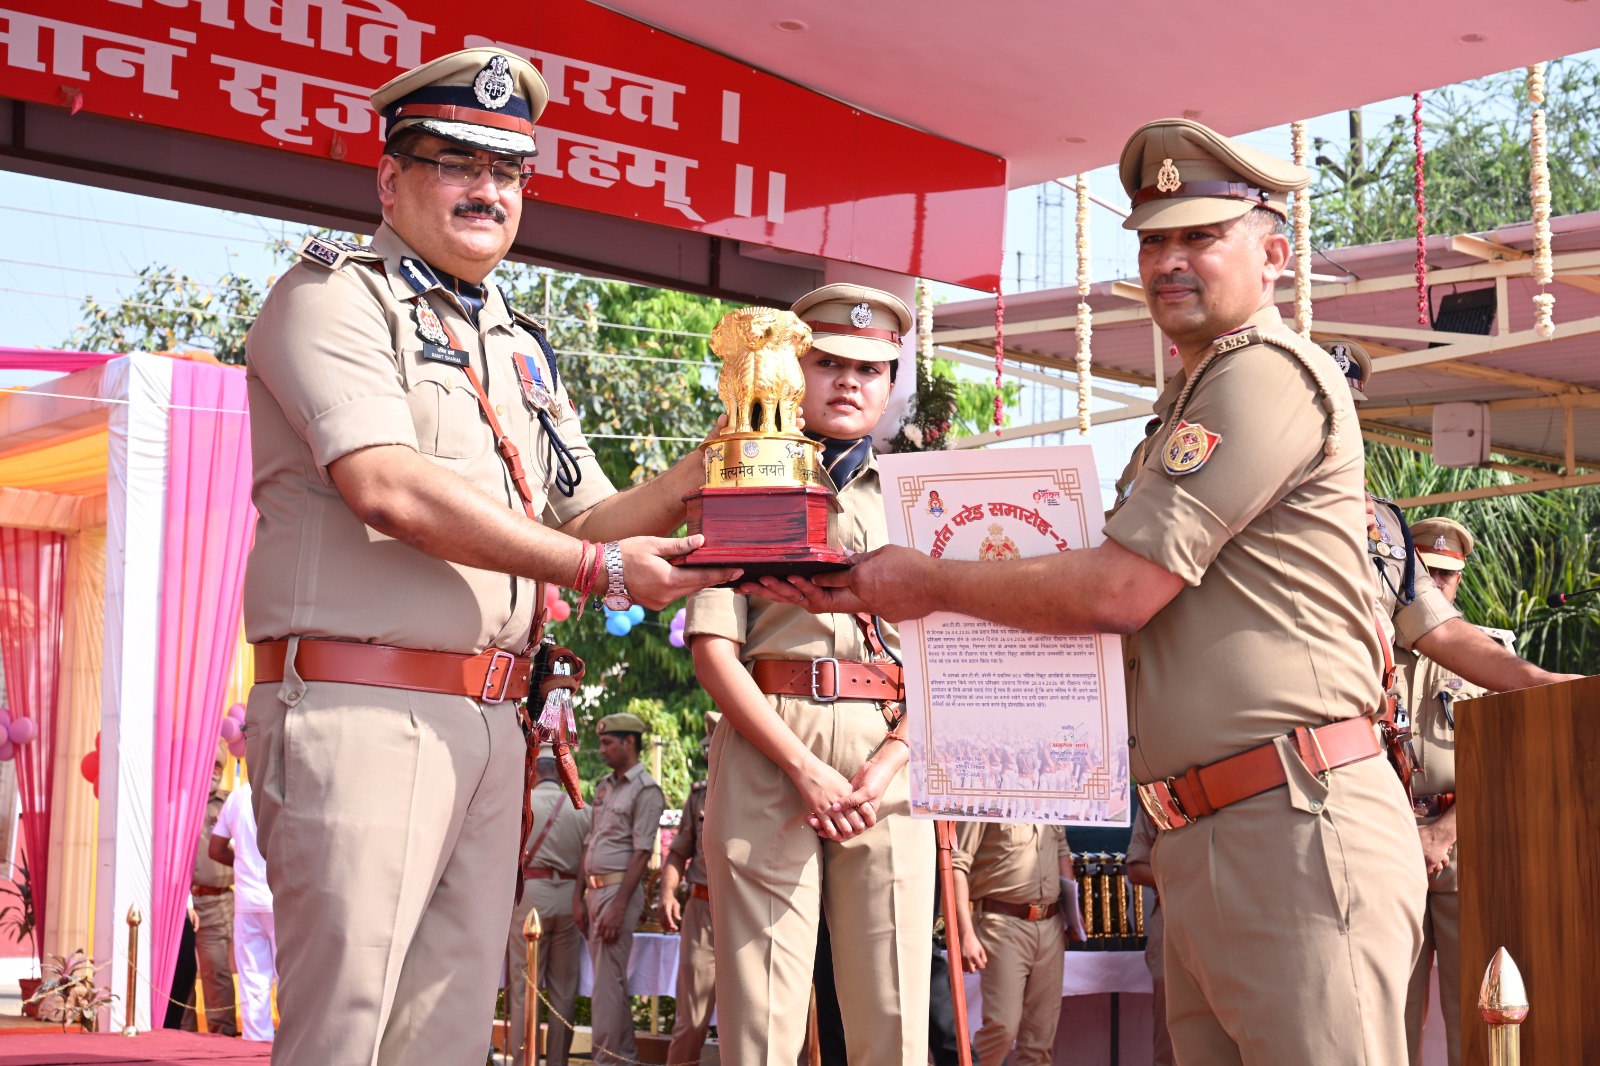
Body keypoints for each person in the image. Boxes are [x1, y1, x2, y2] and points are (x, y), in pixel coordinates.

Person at [791, 119, 1430, 1064]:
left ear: (1275, 255)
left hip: (1293, 826)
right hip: (1212, 831)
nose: (1170, 260)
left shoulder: (1266, 376)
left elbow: (1117, 591)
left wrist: (925, 581)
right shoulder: (1189, 403)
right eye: (1153, 239)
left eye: (1200, 236)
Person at [240, 46, 734, 1066]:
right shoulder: (332, 297)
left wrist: (715, 464)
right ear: (390, 178)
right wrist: (595, 572)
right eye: (454, 161)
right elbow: (389, 487)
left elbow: (588, 516)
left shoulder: (513, 340)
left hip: (489, 720)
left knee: (449, 1039)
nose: (486, 190)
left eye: (507, 171)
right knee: (347, 1035)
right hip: (363, 709)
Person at [687, 282, 935, 1065]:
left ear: (892, 384)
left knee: (893, 1020)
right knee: (761, 1026)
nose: (849, 382)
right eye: (828, 361)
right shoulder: (742, 474)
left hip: (887, 759)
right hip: (771, 748)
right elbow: (713, 648)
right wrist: (803, 769)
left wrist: (895, 758)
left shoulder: (922, 496)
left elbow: (955, 659)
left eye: (870, 369)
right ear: (796, 364)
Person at [1400, 516, 1488, 1066]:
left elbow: (1503, 764)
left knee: (1475, 1014)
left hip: (1461, 850)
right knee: (1387, 1018)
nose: (1434, 583)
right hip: (1386, 845)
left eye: (1445, 574)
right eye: (1425, 571)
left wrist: (1443, 834)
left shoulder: (1485, 659)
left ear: (1459, 579)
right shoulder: (1366, 654)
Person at [575, 713, 666, 1066]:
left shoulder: (646, 790)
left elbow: (642, 853)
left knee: (608, 986)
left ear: (630, 742)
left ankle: (609, 1060)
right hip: (596, 893)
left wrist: (617, 907)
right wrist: (578, 895)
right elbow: (590, 841)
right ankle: (622, 1058)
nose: (601, 750)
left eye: (608, 742)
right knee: (607, 984)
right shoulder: (604, 786)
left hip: (617, 895)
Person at [950, 821, 1071, 1066]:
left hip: (1051, 923)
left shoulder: (1052, 794)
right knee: (1002, 1027)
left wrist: (1075, 913)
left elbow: (1062, 852)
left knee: (1040, 1039)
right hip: (1002, 923)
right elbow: (955, 864)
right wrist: (965, 933)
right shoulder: (985, 794)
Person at [505, 744, 592, 1066]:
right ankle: (558, 1062)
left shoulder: (521, 804)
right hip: (570, 897)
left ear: (535, 770)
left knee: (523, 986)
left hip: (532, 896)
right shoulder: (583, 808)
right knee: (564, 992)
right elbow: (590, 857)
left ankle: (522, 1061)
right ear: (559, 771)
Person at [658, 712, 720, 1066]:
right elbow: (678, 851)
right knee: (691, 1020)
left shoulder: (766, 788)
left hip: (751, 913)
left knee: (752, 1020)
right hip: (703, 910)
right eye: (710, 748)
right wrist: (667, 893)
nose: (712, 753)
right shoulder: (700, 795)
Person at [210, 777, 275, 1042]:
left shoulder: (237, 797)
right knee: (290, 975)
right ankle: (292, 1043)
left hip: (247, 899)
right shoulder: (285, 789)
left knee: (252, 976)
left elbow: (215, 849)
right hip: (280, 896)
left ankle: (257, 1043)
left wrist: (242, 864)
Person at [186, 744, 238, 1036]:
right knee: (180, 974)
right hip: (177, 903)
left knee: (216, 973)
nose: (214, 772)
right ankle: (182, 1037)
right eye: (209, 765)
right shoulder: (178, 802)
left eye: (218, 767)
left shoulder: (230, 803)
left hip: (217, 901)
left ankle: (223, 1039)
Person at [1124, 810, 1172, 1066]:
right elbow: (1136, 868)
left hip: (1232, 920)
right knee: (1170, 1029)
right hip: (1172, 918)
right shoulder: (1156, 790)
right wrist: (1189, 881)